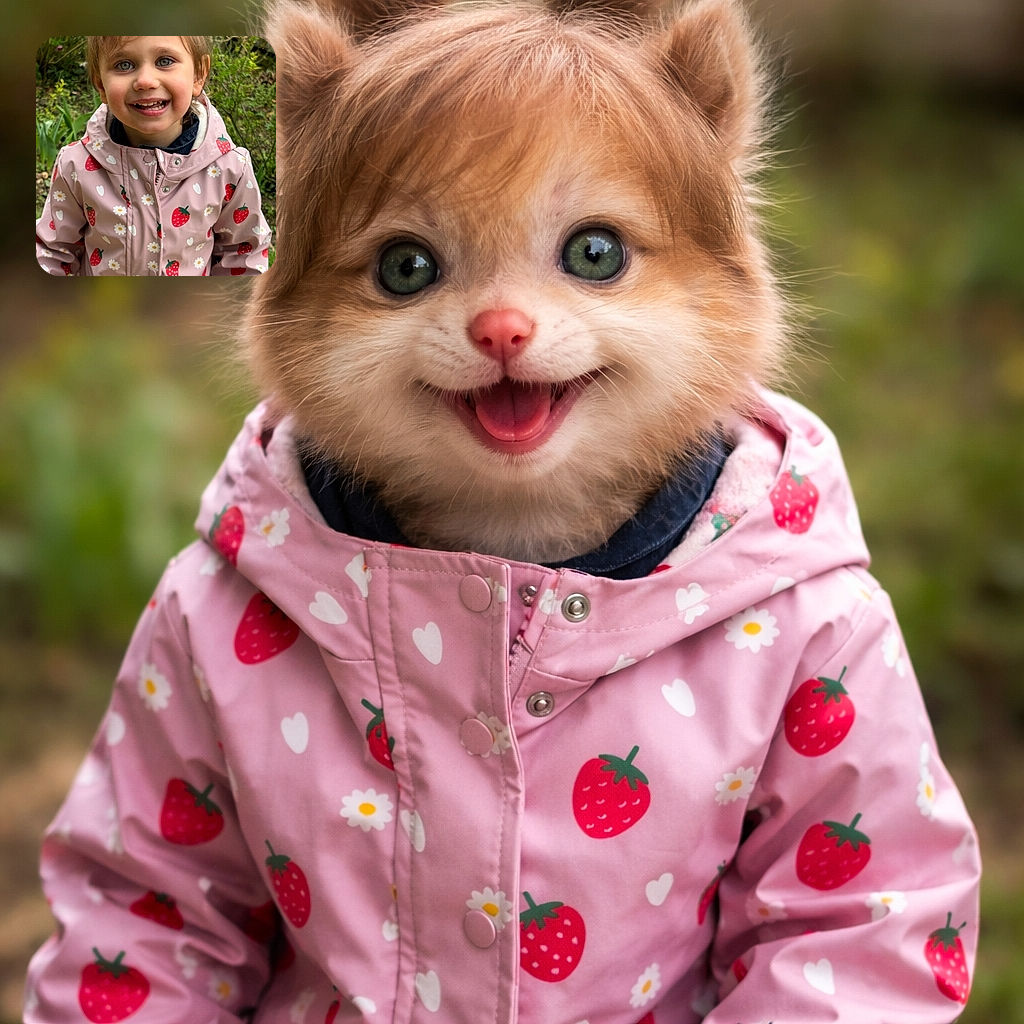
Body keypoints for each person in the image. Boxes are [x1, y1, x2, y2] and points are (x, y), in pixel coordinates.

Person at [36, 35, 271, 276]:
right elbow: (52, 252)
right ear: (100, 85)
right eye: (124, 65)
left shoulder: (229, 168)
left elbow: (243, 254)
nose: (145, 81)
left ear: (198, 75)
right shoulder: (77, 166)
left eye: (165, 61)